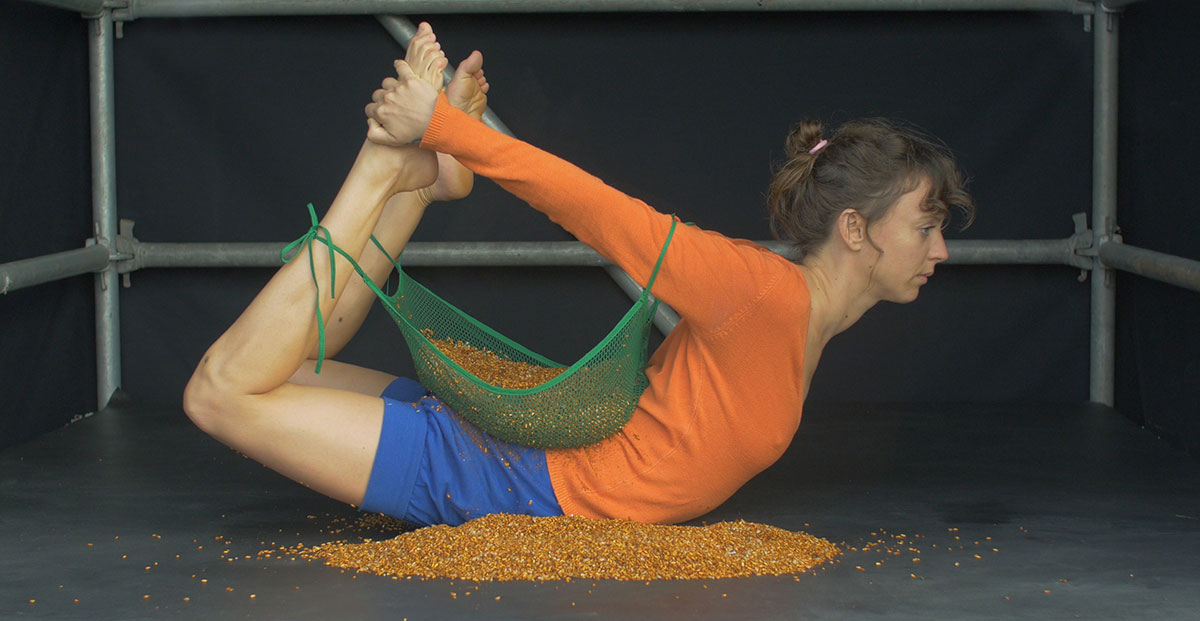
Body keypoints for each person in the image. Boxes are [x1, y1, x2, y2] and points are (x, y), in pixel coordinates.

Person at [185, 22, 974, 528]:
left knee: (284, 363)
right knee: (222, 391)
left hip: (526, 446)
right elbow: (598, 210)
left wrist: (451, 141)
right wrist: (450, 128)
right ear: (854, 229)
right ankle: (387, 167)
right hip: (504, 483)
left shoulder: (795, 313)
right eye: (925, 225)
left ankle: (420, 183)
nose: (940, 250)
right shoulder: (761, 291)